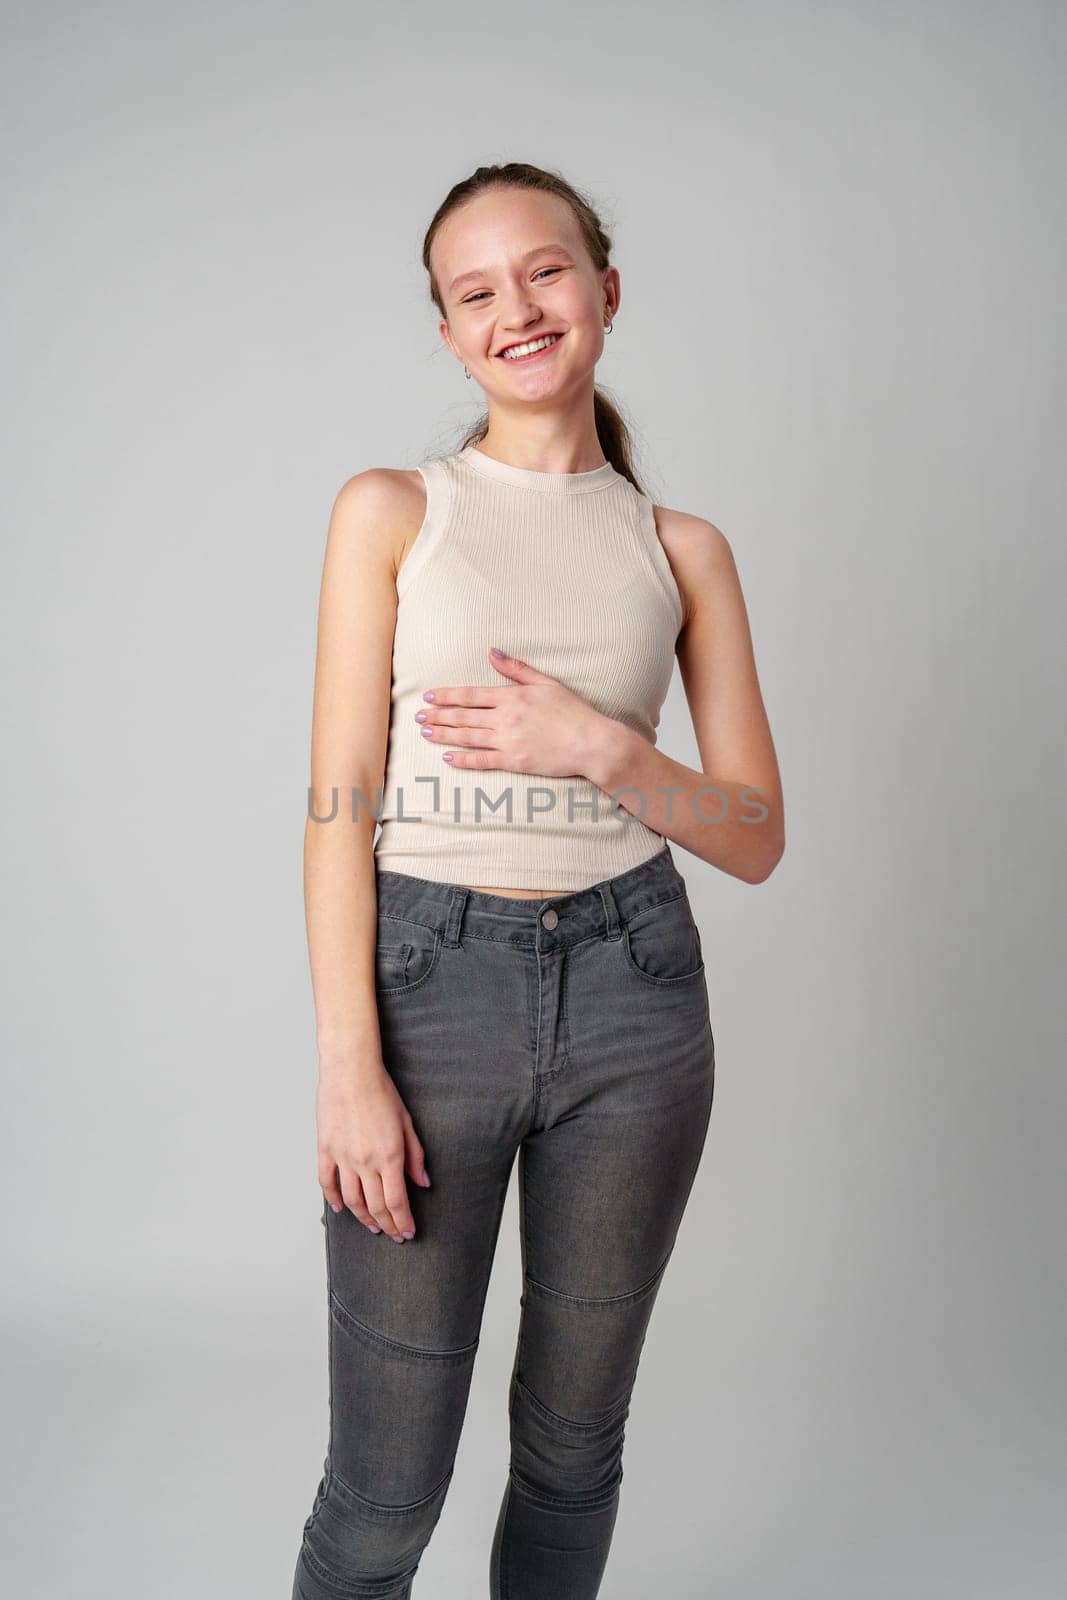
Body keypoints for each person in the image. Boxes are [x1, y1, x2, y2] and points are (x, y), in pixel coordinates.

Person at [292, 161, 784, 1600]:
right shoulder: (393, 511)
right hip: (426, 990)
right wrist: (347, 1066)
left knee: (574, 1450)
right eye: (476, 289)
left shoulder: (681, 550)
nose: (519, 306)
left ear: (607, 292)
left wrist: (597, 747)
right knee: (384, 1497)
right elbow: (338, 805)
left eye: (547, 270)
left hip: (637, 1002)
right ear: (448, 332)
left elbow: (752, 832)